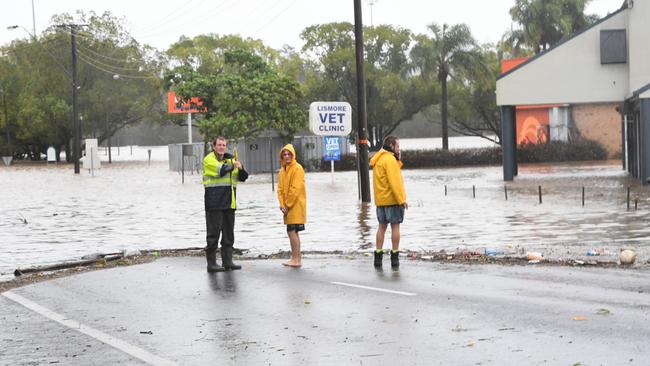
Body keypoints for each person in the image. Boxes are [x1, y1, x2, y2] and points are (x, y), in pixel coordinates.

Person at [203, 136, 248, 272]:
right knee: (213, 234)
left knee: (229, 234)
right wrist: (233, 164)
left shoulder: (231, 159)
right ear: (214, 146)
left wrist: (240, 168)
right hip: (214, 202)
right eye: (219, 145)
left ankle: (227, 262)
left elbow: (243, 177)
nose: (222, 147)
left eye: (224, 145)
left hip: (229, 203)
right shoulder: (209, 159)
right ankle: (211, 264)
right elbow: (221, 170)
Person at [369, 135, 408, 269]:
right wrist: (402, 200)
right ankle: (394, 256)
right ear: (391, 146)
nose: (399, 149)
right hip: (392, 200)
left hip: (380, 200)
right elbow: (395, 182)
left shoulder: (378, 159)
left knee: (381, 227)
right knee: (395, 227)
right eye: (397, 146)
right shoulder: (390, 160)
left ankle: (378, 256)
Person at [277, 144, 306, 268]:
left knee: (292, 231)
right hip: (287, 207)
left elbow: (295, 189)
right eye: (284, 154)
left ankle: (296, 259)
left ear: (293, 155)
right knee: (292, 231)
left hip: (295, 205)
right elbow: (280, 189)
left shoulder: (297, 168)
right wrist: (282, 205)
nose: (287, 156)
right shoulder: (282, 170)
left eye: (289, 154)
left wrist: (287, 205)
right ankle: (295, 258)